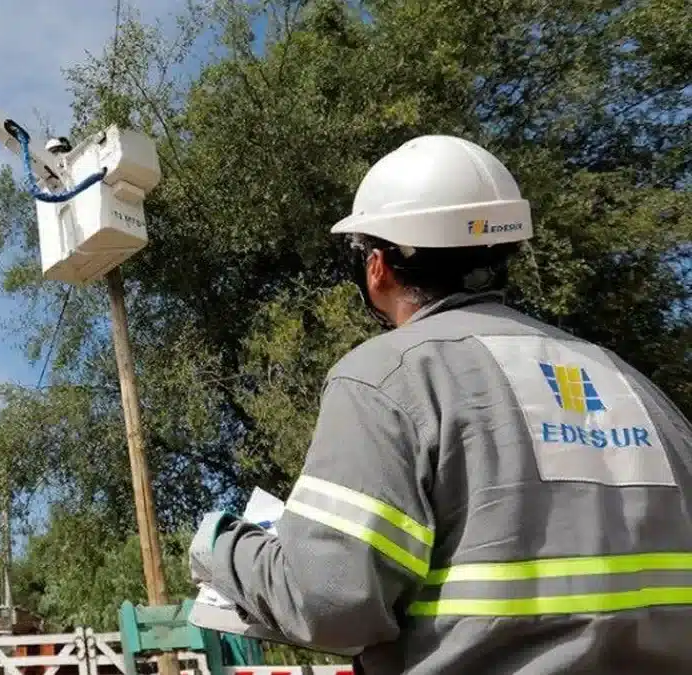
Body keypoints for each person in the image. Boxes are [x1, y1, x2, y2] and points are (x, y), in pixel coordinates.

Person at [188, 135, 692, 674]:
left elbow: (330, 602)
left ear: (377, 266)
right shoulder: (631, 384)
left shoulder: (389, 376)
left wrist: (220, 547)